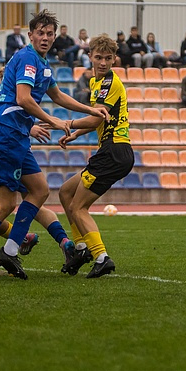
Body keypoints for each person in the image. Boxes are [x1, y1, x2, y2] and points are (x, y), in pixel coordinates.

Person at [0, 9, 108, 282]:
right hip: (5, 132)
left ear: (54, 37)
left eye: (49, 34)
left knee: (40, 190)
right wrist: (53, 120)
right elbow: (23, 98)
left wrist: (90, 109)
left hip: (16, 134)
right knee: (5, 202)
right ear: (30, 35)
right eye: (40, 33)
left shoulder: (42, 63)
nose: (45, 37)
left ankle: (9, 251)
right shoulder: (27, 58)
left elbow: (57, 95)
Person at [57, 34, 136, 278]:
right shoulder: (96, 82)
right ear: (90, 56)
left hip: (114, 150)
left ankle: (101, 257)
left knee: (78, 207)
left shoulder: (110, 83)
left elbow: (95, 119)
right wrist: (76, 134)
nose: (103, 62)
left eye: (108, 58)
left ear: (114, 59)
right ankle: (81, 248)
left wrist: (68, 123)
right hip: (112, 151)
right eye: (99, 57)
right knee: (66, 192)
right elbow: (98, 119)